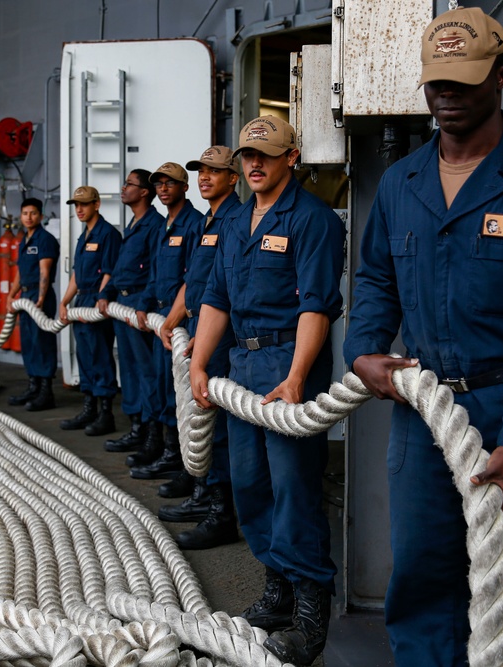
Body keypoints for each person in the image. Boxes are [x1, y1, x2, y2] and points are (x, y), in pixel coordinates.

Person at [341, 7, 503, 666]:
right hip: (423, 418)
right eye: (436, 82)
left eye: (464, 81)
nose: (447, 95)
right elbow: (374, 279)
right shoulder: (402, 184)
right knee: (422, 584)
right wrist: (363, 349)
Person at [190, 117, 345, 665]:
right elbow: (216, 298)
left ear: (292, 158)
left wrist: (298, 376)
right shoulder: (234, 223)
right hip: (240, 365)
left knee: (293, 488)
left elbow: (316, 305)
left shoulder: (314, 221)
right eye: (247, 157)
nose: (253, 164)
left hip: (285, 362)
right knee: (250, 486)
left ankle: (309, 606)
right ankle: (276, 585)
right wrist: (199, 363)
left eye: (266, 156)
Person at [157, 146, 243, 550]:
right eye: (201, 171)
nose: (205, 177)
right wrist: (175, 320)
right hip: (199, 324)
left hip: (220, 330)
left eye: (215, 171)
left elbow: (221, 290)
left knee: (215, 417)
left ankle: (221, 513)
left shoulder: (235, 219)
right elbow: (194, 279)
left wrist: (202, 333)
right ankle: (205, 496)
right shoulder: (210, 219)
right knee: (198, 414)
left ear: (233, 177)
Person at [127, 162, 204, 482]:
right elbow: (155, 275)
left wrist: (172, 320)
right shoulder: (163, 227)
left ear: (184, 187)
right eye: (158, 184)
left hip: (181, 322)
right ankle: (164, 449)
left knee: (180, 393)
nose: (163, 188)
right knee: (160, 386)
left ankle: (180, 459)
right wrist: (144, 305)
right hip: (160, 318)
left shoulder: (195, 224)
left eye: (169, 183)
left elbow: (193, 278)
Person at [98, 170, 164, 460]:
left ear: (144, 192)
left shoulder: (154, 225)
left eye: (129, 185)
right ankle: (136, 426)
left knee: (145, 371)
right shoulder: (134, 224)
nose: (123, 188)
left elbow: (155, 271)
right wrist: (106, 293)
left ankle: (151, 433)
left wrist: (144, 304)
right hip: (123, 304)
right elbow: (122, 265)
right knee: (129, 368)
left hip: (139, 305)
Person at [58, 186, 122, 436]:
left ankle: (106, 414)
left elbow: (109, 271)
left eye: (84, 204)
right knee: (84, 356)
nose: (79, 209)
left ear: (97, 204)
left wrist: (101, 299)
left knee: (99, 357)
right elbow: (76, 274)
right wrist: (64, 302)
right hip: (81, 302)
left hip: (97, 303)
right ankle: (89, 409)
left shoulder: (107, 234)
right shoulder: (83, 236)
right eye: (76, 205)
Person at [6, 197, 61, 412]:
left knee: (42, 343)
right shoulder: (24, 241)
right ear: (21, 216)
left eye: (33, 213)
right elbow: (20, 272)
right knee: (28, 342)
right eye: (25, 213)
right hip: (24, 297)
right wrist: (11, 295)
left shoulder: (44, 240)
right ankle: (33, 387)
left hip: (40, 297)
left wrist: (40, 298)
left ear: (41, 216)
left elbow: (44, 271)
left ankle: (46, 392)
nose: (29, 217)